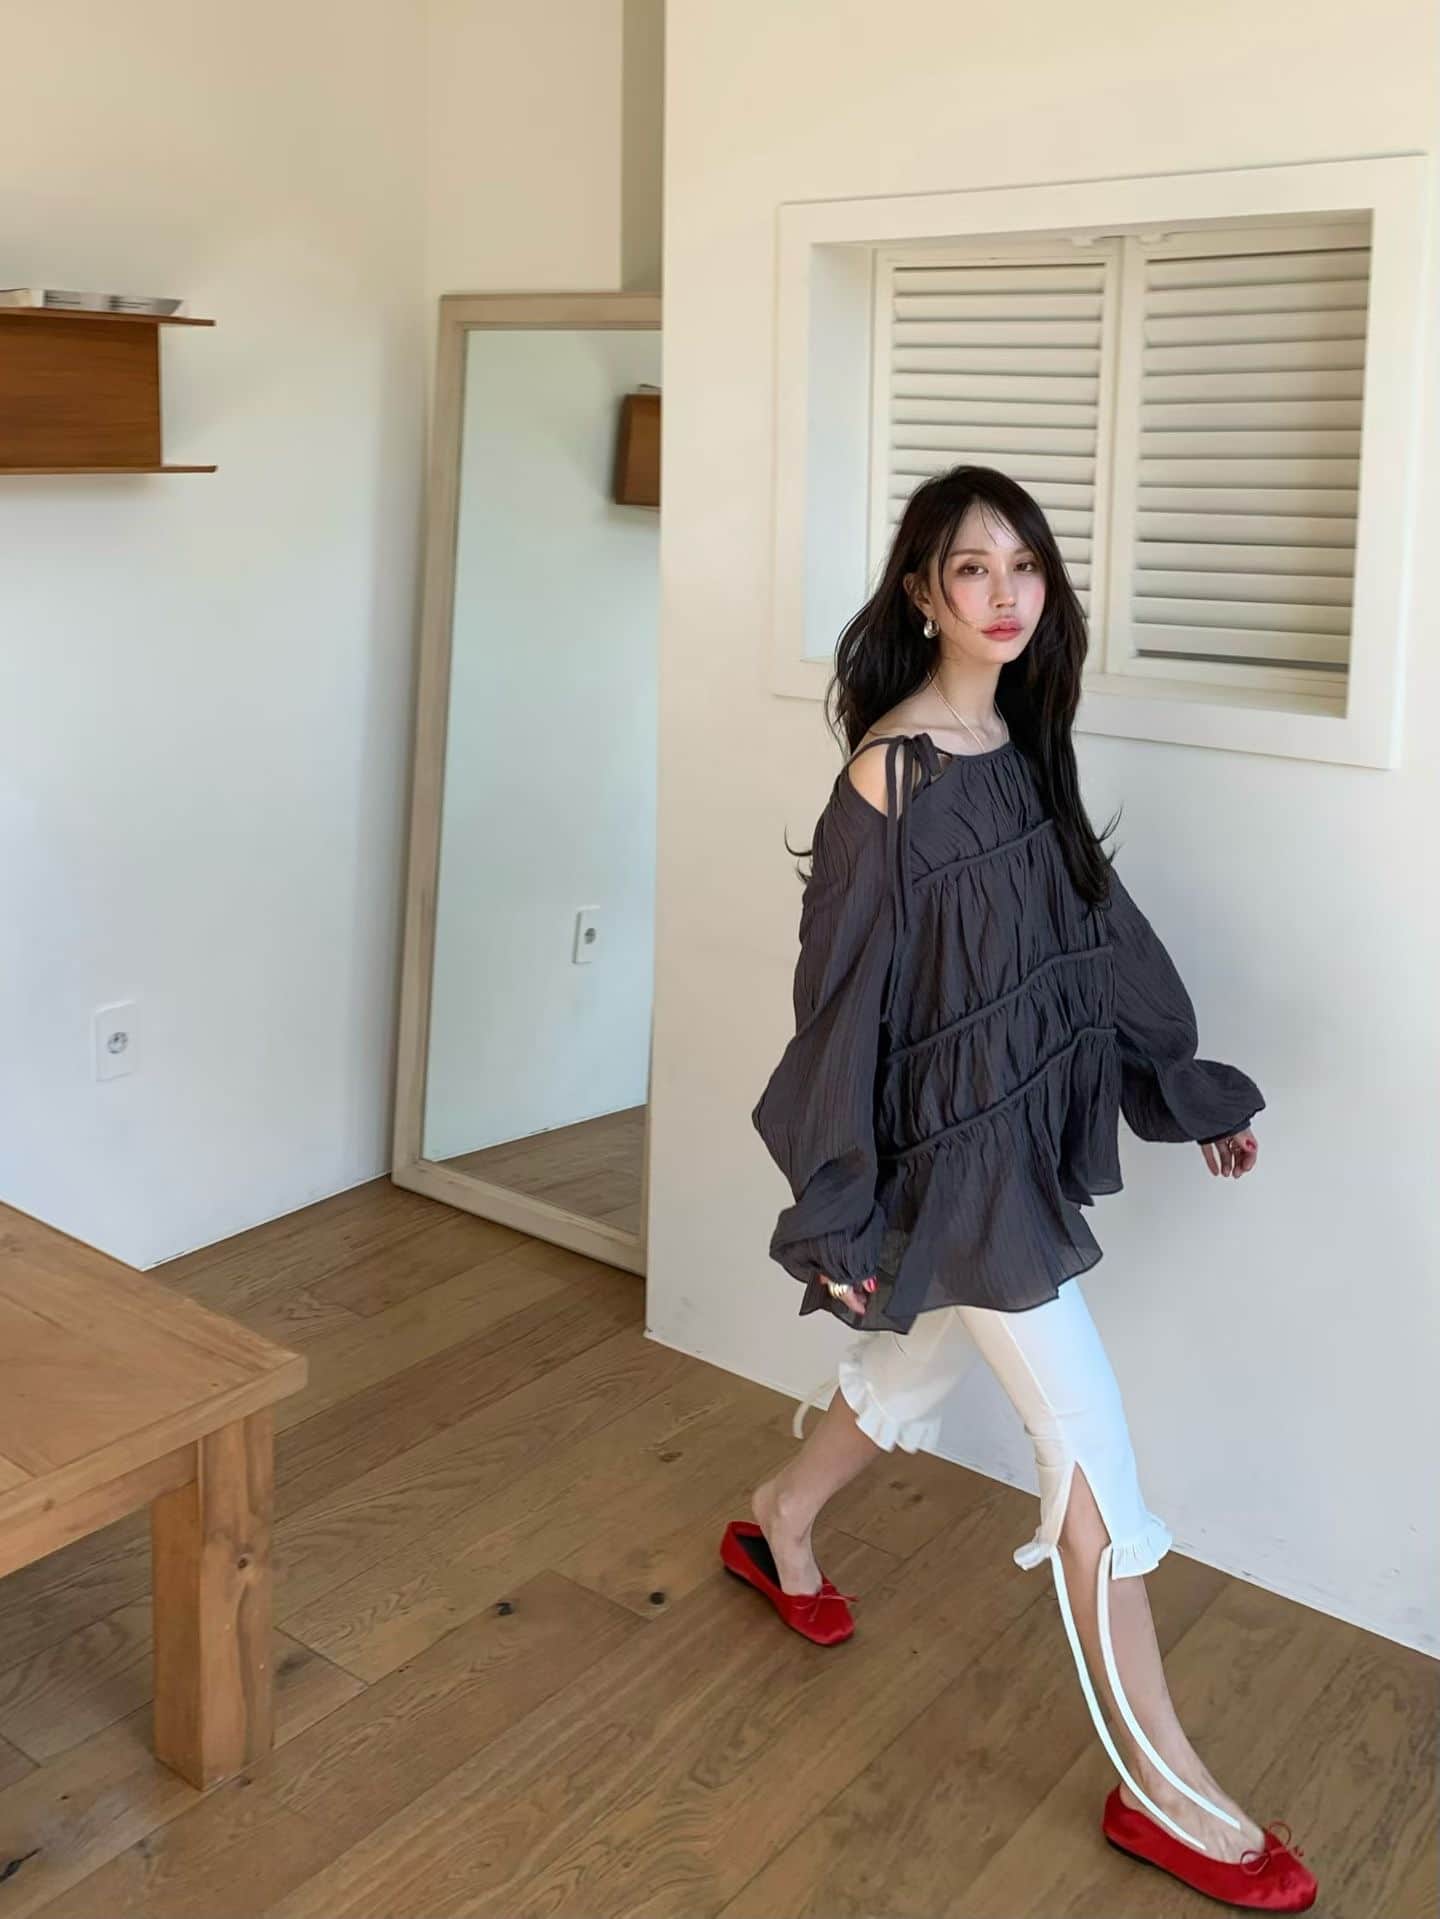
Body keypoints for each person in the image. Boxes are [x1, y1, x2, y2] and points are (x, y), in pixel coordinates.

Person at [725, 466, 1317, 1912]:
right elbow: (839, 1011)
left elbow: (1091, 933)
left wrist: (1177, 1085)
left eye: (1025, 568)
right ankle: (1167, 1792)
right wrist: (841, 1207)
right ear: (921, 592)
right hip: (955, 1169)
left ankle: (778, 1520)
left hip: (1010, 1148)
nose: (1004, 595)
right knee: (1093, 1461)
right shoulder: (892, 775)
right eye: (971, 569)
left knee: (912, 1367)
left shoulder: (1019, 738)